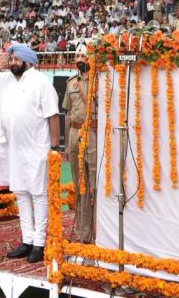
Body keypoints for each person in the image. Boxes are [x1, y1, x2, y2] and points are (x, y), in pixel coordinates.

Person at [0, 43, 60, 263]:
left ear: (29, 61)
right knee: (21, 193)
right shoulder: (3, 80)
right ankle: (27, 240)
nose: (13, 63)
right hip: (11, 148)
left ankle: (40, 243)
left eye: (17, 59)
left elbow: (53, 116)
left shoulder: (41, 82)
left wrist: (54, 147)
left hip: (37, 149)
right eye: (10, 59)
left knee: (39, 194)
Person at [62, 43, 97, 243]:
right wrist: (67, 143)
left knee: (94, 186)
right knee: (79, 184)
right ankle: (82, 233)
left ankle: (97, 232)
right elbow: (67, 114)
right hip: (75, 133)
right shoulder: (70, 82)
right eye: (77, 55)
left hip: (93, 133)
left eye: (83, 55)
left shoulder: (99, 81)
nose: (79, 59)